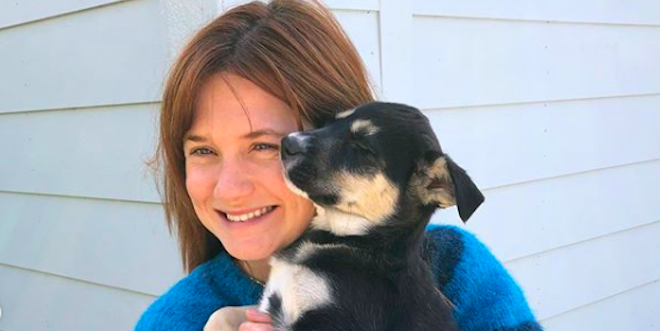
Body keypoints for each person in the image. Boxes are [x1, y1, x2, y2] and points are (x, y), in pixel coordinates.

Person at [134, 1, 543, 330]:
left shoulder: (455, 271)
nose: (229, 189)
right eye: (203, 151)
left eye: (263, 146)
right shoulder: (174, 321)